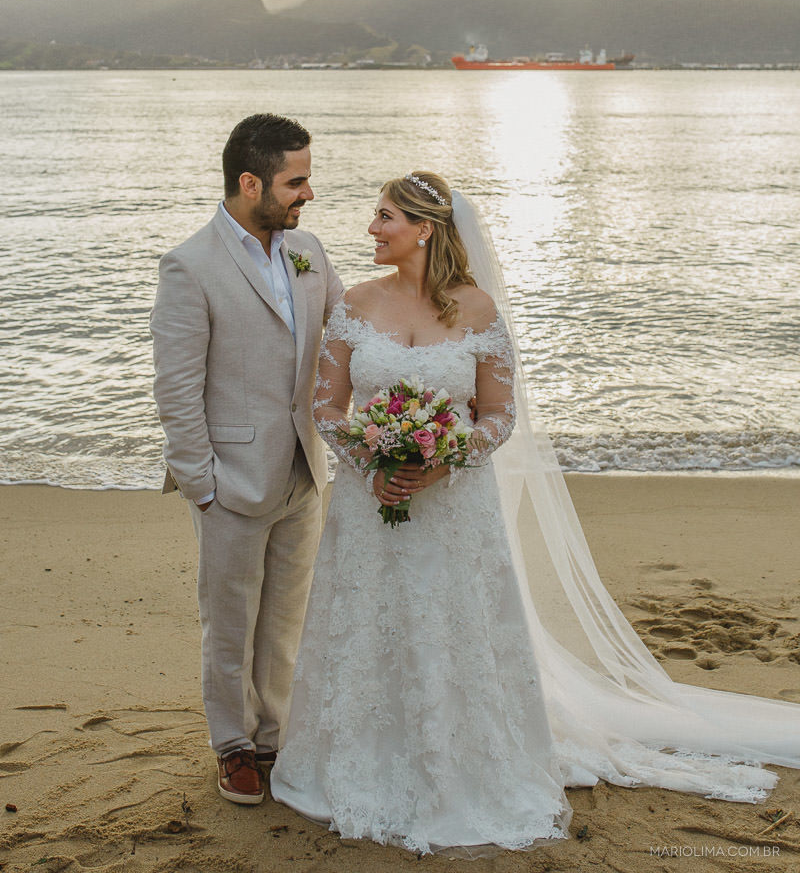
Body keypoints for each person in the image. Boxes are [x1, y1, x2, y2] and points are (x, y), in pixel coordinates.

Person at [271, 171, 800, 855]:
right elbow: (323, 409)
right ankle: (352, 762)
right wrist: (372, 461)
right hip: (370, 506)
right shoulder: (356, 305)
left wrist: (444, 460)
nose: (371, 229)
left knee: (453, 629)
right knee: (367, 630)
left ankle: (462, 767)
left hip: (454, 507)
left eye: (385, 218)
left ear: (424, 229)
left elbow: (498, 416)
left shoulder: (479, 311)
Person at [150, 113, 343, 807]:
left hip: (302, 473)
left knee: (284, 617)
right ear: (250, 182)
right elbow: (175, 388)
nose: (308, 195)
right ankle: (233, 746)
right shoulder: (190, 265)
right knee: (229, 622)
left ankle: (273, 738)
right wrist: (202, 485)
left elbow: (346, 340)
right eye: (297, 182)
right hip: (230, 482)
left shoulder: (310, 253)